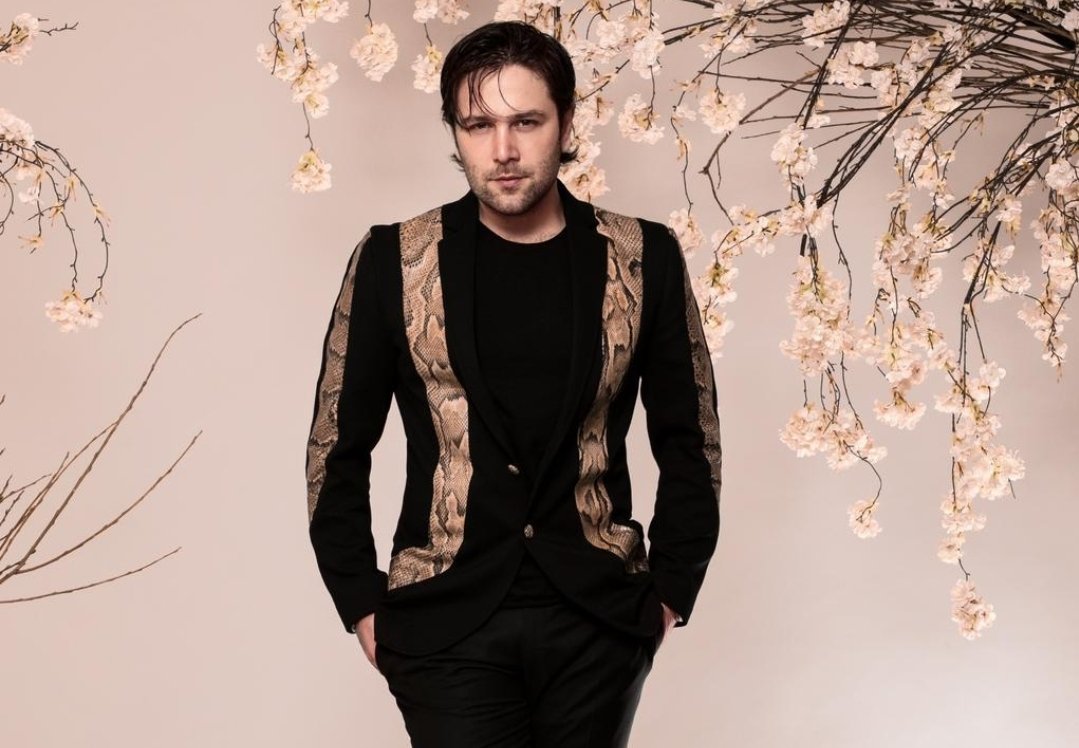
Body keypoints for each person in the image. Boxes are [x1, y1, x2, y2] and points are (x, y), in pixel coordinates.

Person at [305, 20, 722, 748]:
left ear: (566, 125)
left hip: (599, 621)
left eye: (525, 122)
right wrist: (362, 604)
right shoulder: (392, 261)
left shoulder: (642, 256)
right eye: (479, 125)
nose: (502, 149)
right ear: (455, 132)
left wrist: (668, 594)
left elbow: (692, 440)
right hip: (443, 618)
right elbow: (335, 446)